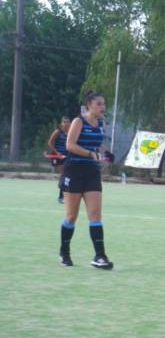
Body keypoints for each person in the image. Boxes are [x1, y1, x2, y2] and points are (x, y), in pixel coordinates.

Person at [60, 91, 113, 269]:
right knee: (71, 216)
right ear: (89, 105)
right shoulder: (78, 121)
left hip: (92, 172)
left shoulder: (100, 123)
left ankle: (99, 256)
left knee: (95, 215)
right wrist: (91, 154)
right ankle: (64, 251)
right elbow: (70, 145)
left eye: (103, 104)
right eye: (99, 104)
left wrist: (106, 154)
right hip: (74, 171)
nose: (102, 107)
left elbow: (98, 145)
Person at [46, 115, 71, 203]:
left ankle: (62, 196)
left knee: (65, 175)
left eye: (68, 122)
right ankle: (61, 197)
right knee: (64, 175)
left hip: (66, 156)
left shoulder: (71, 132)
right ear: (61, 123)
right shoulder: (58, 132)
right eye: (64, 122)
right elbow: (50, 142)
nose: (66, 124)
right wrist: (57, 152)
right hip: (57, 156)